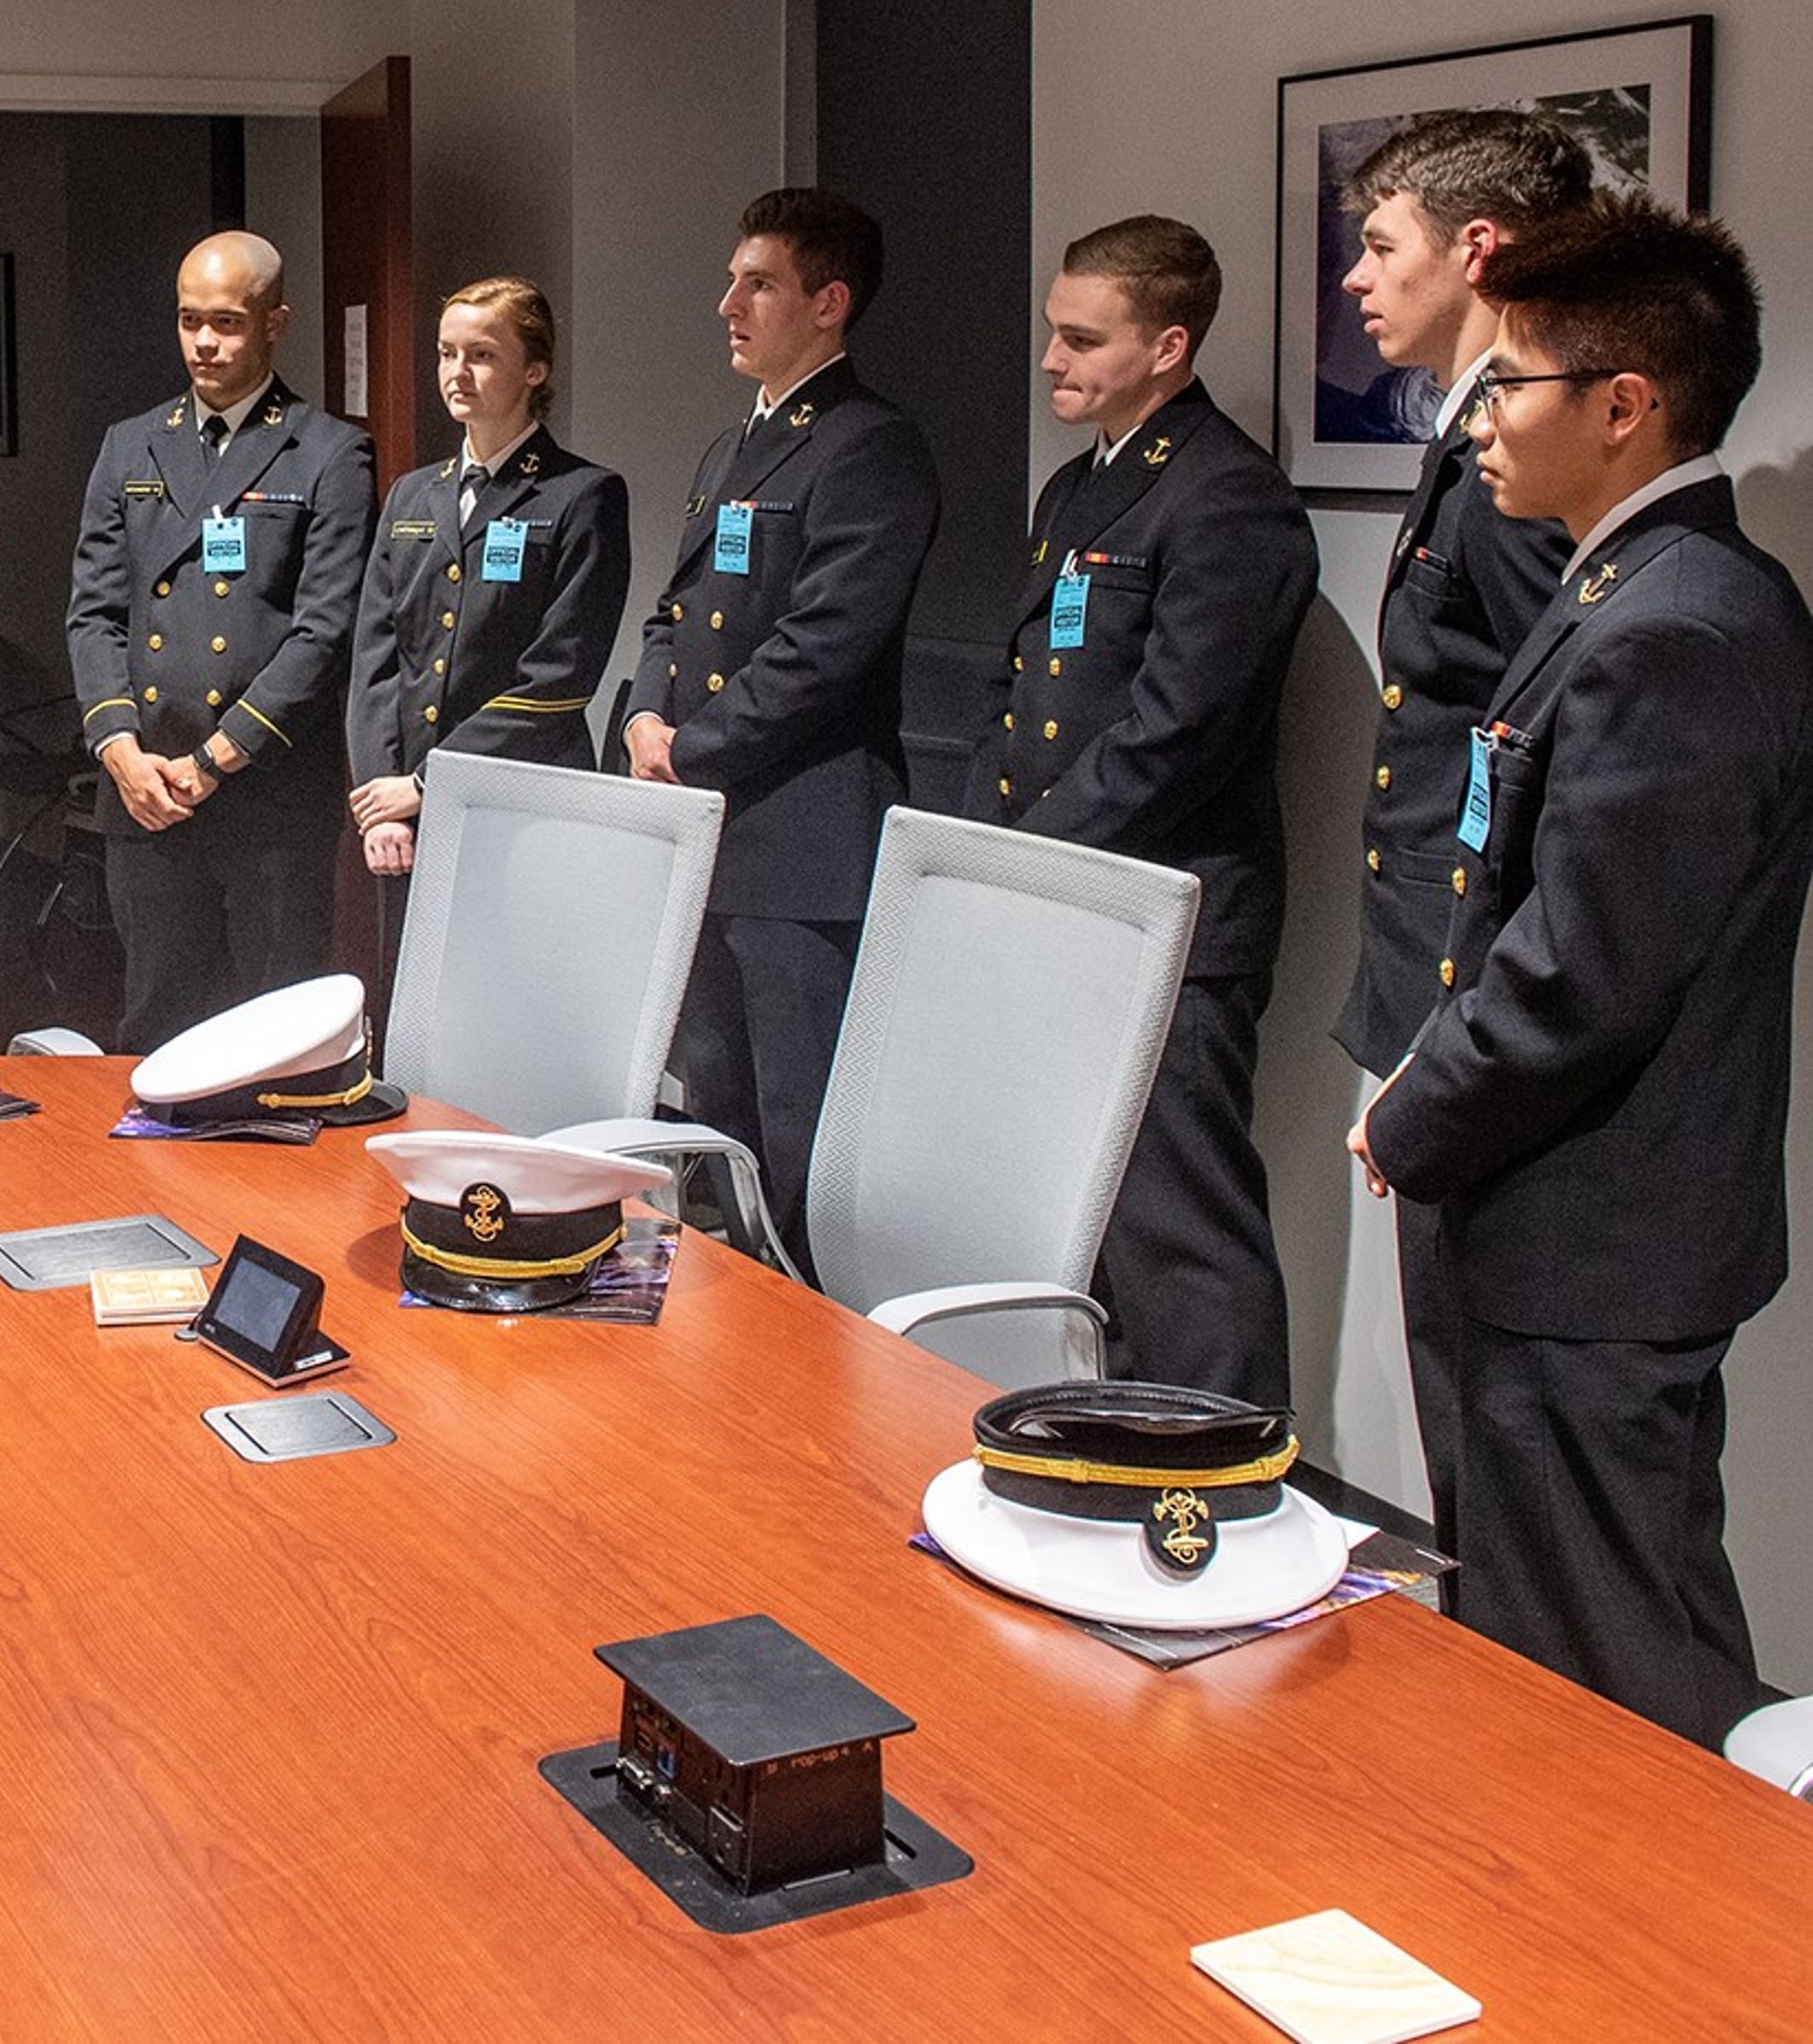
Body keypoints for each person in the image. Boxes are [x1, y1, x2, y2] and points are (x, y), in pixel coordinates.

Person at [1349, 196, 1813, 1747]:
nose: (1475, 418)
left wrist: (1415, 1111)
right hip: (1556, 1214)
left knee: (1612, 1672)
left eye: (1510, 382)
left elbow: (1584, 973)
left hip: (1602, 1237)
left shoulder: (1681, 622)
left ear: (1624, 406)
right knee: (1546, 1640)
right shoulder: (1613, 587)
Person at [967, 217, 1318, 1406]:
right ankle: (1116, 1437)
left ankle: (1222, 1476)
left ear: (1169, 345)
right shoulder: (1080, 486)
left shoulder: (1228, 499)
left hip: (1169, 913)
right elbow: (1018, 691)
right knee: (1086, 1216)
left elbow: (1177, 734)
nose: (1052, 359)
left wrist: (1024, 862)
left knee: (1184, 1229)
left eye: (1082, 338)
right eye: (1052, 332)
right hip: (1068, 898)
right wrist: (976, 852)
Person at [1325, 110, 1592, 1552]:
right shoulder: (1468, 437)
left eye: (1380, 246)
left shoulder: (1524, 466)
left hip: (1476, 967)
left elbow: (1543, 740)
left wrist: (1461, 999)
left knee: (1494, 1423)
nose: (1357, 279)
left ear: (1475, 250)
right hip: (1432, 940)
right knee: (1448, 1395)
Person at [624, 188, 938, 1281]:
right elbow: (676, 612)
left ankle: (823, 1375)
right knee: (718, 1117)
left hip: (803, 845)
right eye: (733, 278)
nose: (728, 304)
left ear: (830, 302)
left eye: (758, 283)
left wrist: (690, 748)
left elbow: (824, 648)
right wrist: (644, 711)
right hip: (715, 836)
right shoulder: (732, 447)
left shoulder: (868, 448)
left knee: (801, 1136)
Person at [67, 231, 376, 1053]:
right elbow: (93, 613)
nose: (204, 342)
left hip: (266, 791)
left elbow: (323, 630)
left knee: (281, 1034)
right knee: (157, 1024)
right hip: (146, 791)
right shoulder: (129, 444)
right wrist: (121, 753)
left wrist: (215, 761)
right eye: (189, 320)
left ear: (275, 323)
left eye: (228, 323)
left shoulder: (329, 452)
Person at [346, 276, 631, 975]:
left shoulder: (582, 496)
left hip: (524, 804)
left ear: (534, 370)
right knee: (411, 1005)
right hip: (407, 814)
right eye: (447, 354)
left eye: (482, 355)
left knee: (514, 1006)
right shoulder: (414, 494)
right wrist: (384, 799)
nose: (457, 373)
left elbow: (560, 680)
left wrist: (426, 782)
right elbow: (376, 659)